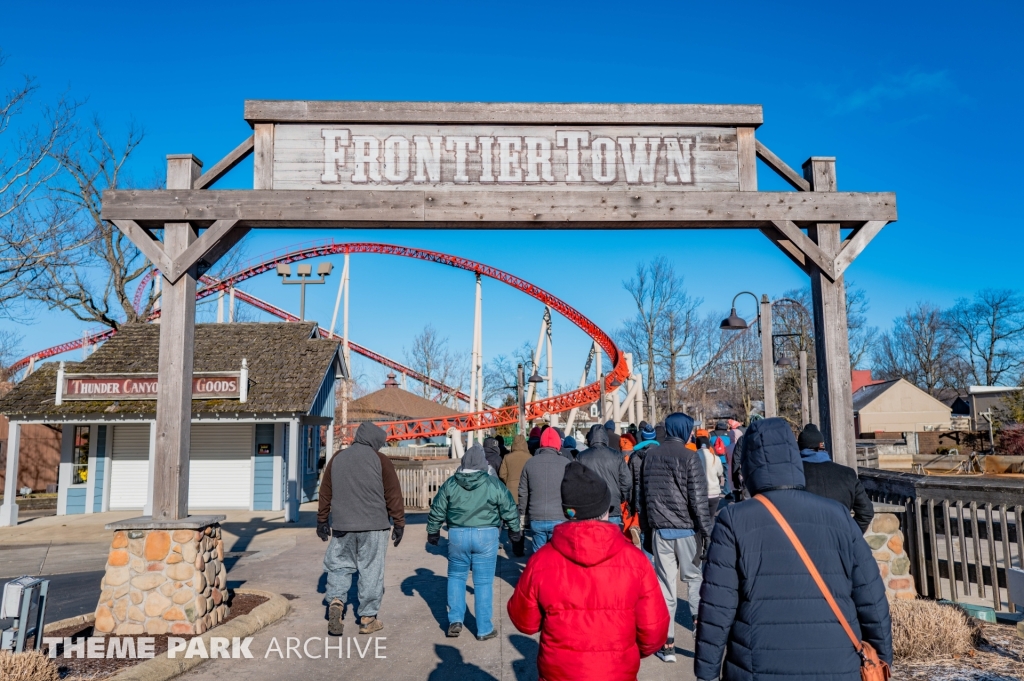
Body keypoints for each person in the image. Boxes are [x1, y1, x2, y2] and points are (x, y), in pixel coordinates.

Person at [694, 418, 892, 681]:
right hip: (838, 665)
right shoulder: (839, 516)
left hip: (758, 666)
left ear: (749, 467)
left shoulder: (734, 520)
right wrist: (882, 659)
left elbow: (717, 607)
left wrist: (706, 673)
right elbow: (872, 599)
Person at [508, 462, 669, 681]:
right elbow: (654, 632)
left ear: (568, 513)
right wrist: (625, 654)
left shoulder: (541, 561)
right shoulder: (635, 561)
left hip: (560, 673)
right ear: (604, 510)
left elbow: (524, 621)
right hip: (617, 673)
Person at [426, 444, 523, 640]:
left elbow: (438, 507)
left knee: (456, 576)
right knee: (483, 582)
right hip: (486, 535)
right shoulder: (492, 484)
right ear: (483, 463)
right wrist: (514, 530)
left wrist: (433, 531)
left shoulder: (451, 483)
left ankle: (455, 620)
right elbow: (508, 506)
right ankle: (484, 628)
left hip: (457, 535)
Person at [317, 422, 405, 636]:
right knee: (371, 570)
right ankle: (367, 618)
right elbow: (393, 493)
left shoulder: (338, 457)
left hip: (342, 525)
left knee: (339, 566)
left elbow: (325, 490)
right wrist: (399, 522)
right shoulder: (380, 460)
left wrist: (322, 520)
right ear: (375, 441)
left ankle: (336, 601)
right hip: (374, 526)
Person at [640, 412, 710, 663]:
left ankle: (667, 643)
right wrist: (706, 532)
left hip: (660, 531)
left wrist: (647, 532)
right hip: (687, 531)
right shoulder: (691, 457)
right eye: (690, 429)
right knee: (695, 580)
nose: (692, 433)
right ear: (683, 430)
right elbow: (699, 501)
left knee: (666, 587)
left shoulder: (650, 456)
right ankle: (701, 635)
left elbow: (644, 498)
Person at [798, 423, 875, 533]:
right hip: (840, 542)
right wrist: (850, 535)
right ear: (822, 446)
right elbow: (866, 512)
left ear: (800, 448)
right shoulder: (847, 474)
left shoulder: (793, 475)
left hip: (804, 543)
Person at [518, 428, 570, 551]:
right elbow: (571, 491)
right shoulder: (566, 463)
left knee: (539, 558)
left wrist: (523, 514)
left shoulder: (530, 463)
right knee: (558, 556)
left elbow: (523, 493)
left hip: (537, 516)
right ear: (558, 444)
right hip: (560, 517)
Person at [577, 424, 631, 523]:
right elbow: (626, 482)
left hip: (590, 507)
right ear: (605, 438)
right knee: (612, 537)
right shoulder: (617, 456)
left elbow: (576, 482)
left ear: (590, 438)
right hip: (612, 506)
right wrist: (622, 497)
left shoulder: (581, 456)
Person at [627, 423, 660, 548]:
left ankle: (646, 563)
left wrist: (630, 504)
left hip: (639, 498)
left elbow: (629, 482)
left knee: (644, 535)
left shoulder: (634, 456)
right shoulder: (660, 454)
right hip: (657, 498)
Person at [499, 434, 532, 500]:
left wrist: (509, 481)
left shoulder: (507, 457)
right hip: (526, 490)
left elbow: (502, 474)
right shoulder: (530, 457)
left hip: (511, 490)